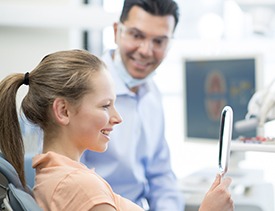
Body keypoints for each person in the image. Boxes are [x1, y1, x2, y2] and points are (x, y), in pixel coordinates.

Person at [0, 49, 233, 211]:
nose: (118, 118)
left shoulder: (58, 177)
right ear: (63, 111)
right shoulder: (79, 187)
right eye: (105, 106)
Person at [80, 0, 232, 210]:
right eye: (136, 35)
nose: (145, 50)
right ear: (116, 31)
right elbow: (71, 183)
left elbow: (160, 176)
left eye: (159, 41)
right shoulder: (80, 90)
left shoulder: (152, 95)